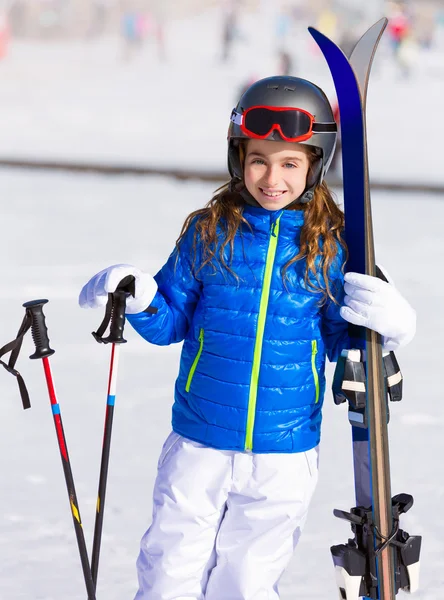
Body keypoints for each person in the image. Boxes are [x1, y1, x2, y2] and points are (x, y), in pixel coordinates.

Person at [79, 76, 416, 600]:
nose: (272, 178)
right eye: (259, 159)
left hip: (283, 452)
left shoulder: (330, 249)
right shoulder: (208, 232)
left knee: (247, 582)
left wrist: (387, 328)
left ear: (315, 165)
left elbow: (343, 341)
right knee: (170, 570)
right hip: (199, 439)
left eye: (289, 163)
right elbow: (171, 321)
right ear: (239, 157)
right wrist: (141, 297)